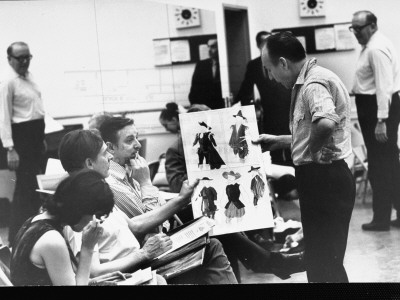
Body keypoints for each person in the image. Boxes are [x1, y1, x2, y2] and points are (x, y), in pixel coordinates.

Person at [59, 129, 238, 285]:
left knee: (210, 243)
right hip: (134, 274)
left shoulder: (95, 192)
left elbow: (134, 225)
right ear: (90, 163)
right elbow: (94, 272)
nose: (111, 157)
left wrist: (181, 200)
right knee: (212, 248)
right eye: (105, 154)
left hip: (142, 263)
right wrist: (144, 253)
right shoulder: (77, 207)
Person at [254, 31, 356, 282]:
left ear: (283, 63)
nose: (271, 77)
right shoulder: (315, 77)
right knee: (323, 259)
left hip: (323, 179)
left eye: (270, 69)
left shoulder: (312, 84)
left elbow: (325, 124)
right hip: (326, 178)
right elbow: (313, 129)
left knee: (324, 263)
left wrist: (313, 151)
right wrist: (279, 141)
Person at [160, 105, 305, 281]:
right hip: (202, 206)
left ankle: (265, 258)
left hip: (221, 202)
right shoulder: (176, 150)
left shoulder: (215, 141)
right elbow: (177, 185)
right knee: (221, 229)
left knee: (228, 229)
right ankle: (267, 260)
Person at [10, 169, 113, 286]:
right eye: (96, 215)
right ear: (80, 209)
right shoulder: (52, 240)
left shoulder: (36, 221)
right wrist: (88, 248)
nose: (96, 221)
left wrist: (97, 281)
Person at [350, 10, 400, 231]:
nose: (355, 33)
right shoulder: (372, 45)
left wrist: (381, 119)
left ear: (372, 25)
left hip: (378, 110)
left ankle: (381, 218)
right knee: (389, 163)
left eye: (358, 28)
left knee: (380, 166)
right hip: (375, 108)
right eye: (353, 29)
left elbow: (384, 87)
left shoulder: (376, 48)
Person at [0, 42, 46, 246]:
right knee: (25, 187)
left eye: (28, 57)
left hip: (35, 136)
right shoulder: (7, 82)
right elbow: (3, 117)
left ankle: (33, 232)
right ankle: (17, 238)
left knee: (35, 186)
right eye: (20, 58)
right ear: (10, 59)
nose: (25, 61)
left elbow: (36, 110)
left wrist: (42, 138)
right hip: (21, 139)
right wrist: (10, 148)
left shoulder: (30, 79)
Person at [233, 31, 293, 167]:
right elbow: (245, 89)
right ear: (258, 45)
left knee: (291, 142)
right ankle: (282, 178)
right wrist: (244, 108)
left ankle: (294, 172)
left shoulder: (282, 61)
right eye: (264, 41)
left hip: (289, 109)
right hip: (269, 112)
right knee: (273, 146)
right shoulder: (254, 65)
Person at [188, 39, 225, 110]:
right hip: (204, 106)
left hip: (222, 105)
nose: (209, 50)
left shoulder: (226, 64)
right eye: (208, 47)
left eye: (213, 47)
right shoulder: (201, 65)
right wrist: (196, 106)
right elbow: (194, 88)